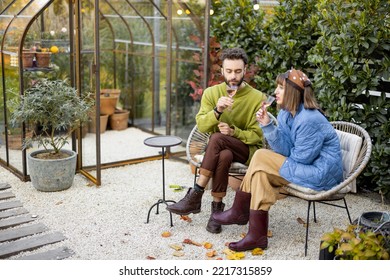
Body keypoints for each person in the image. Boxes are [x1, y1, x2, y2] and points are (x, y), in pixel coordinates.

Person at [212, 68, 343, 251]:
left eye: (281, 87)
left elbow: (301, 159)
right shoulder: (285, 113)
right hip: (301, 166)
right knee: (260, 174)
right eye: (277, 87)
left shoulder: (309, 119)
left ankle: (239, 211)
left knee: (260, 156)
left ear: (293, 91)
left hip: (319, 173)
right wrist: (267, 125)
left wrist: (275, 156)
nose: (275, 92)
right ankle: (256, 237)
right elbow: (285, 149)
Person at [167, 47, 266, 234]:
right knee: (224, 154)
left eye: (238, 71)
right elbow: (202, 125)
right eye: (229, 71)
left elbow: (257, 135)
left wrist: (234, 132)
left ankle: (196, 193)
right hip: (220, 149)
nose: (233, 76)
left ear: (245, 70)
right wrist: (217, 111)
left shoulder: (256, 97)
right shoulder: (212, 93)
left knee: (218, 138)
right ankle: (216, 214)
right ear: (222, 71)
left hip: (246, 150)